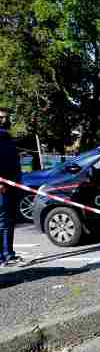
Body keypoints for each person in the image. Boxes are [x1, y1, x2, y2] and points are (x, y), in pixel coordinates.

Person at [0, 108, 21, 267]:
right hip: (2, 186)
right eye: (1, 117)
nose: (4, 119)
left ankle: (9, 254)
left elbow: (13, 162)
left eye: (6, 117)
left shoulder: (7, 136)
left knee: (10, 220)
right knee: (3, 221)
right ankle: (3, 256)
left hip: (12, 184)